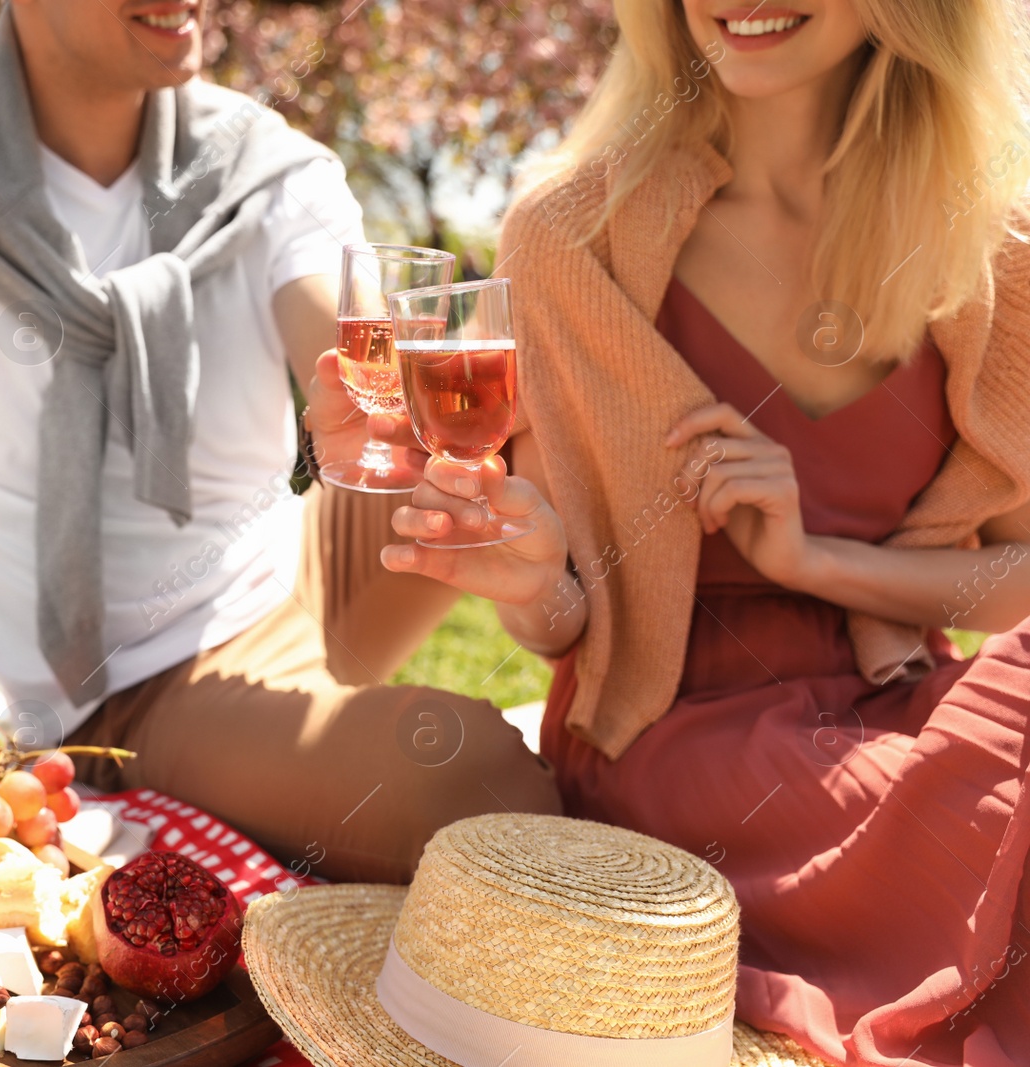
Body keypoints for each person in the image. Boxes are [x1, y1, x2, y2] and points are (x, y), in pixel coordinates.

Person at [0, 0, 558, 885]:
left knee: (540, 404)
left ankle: (665, 725)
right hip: (146, 679)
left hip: (303, 561)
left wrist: (382, 403)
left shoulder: (259, 166)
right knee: (475, 787)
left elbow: (352, 352)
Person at [377, 0, 1030, 1061]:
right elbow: (564, 623)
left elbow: (1017, 572)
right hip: (678, 731)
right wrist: (528, 578)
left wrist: (816, 560)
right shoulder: (571, 236)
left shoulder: (984, 244)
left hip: (905, 690)